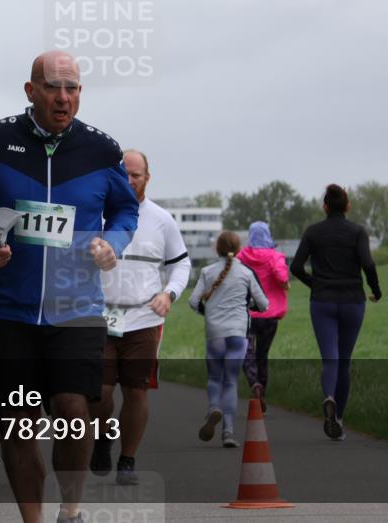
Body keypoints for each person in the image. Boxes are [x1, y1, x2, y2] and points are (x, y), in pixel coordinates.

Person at [0, 50, 138, 523]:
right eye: (53, 87)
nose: (63, 97)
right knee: (16, 423)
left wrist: (112, 243)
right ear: (31, 91)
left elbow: (125, 210)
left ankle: (70, 511)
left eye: (72, 88)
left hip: (77, 306)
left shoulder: (101, 150)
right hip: (9, 308)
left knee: (73, 409)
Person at [90, 149, 191, 485]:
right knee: (100, 392)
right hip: (100, 317)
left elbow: (181, 264)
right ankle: (103, 436)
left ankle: (128, 460)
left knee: (136, 391)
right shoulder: (97, 216)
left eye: (136, 174)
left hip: (144, 318)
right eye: (125, 174)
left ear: (148, 177)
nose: (130, 180)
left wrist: (169, 294)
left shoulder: (161, 219)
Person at [291, 183, 381, 441]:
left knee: (330, 359)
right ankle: (338, 419)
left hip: (323, 302)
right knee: (344, 360)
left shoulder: (313, 232)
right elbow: (368, 264)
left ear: (325, 207)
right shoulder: (358, 232)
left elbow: (295, 267)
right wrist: (376, 290)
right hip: (352, 301)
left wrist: (315, 284)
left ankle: (328, 396)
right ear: (348, 206)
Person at [189, 231, 268, 447]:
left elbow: (193, 301)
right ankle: (228, 432)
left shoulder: (206, 272)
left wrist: (208, 312)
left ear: (217, 248)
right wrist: (247, 306)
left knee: (215, 378)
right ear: (239, 249)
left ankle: (214, 408)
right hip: (238, 333)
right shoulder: (246, 273)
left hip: (215, 332)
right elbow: (264, 304)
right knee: (231, 381)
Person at [238, 221, 290, 415]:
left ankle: (254, 383)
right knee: (262, 355)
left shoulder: (241, 256)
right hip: (269, 315)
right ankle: (262, 397)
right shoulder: (275, 257)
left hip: (246, 314)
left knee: (246, 352)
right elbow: (282, 277)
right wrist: (285, 283)